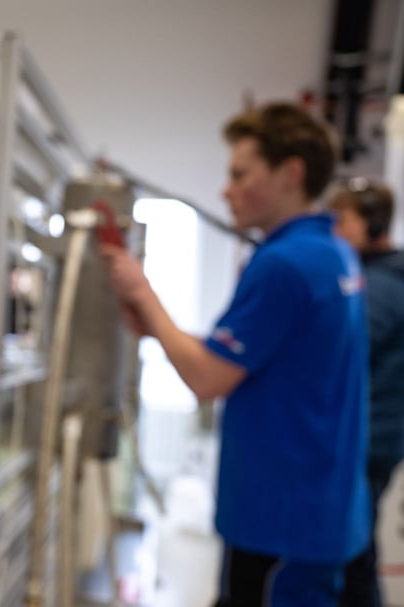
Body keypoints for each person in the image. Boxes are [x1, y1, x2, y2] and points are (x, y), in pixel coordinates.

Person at [100, 102, 369, 606]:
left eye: (240, 174)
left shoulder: (282, 264)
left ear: (291, 174)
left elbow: (207, 379)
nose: (226, 189)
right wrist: (162, 331)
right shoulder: (332, 253)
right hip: (321, 509)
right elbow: (266, 354)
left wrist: (144, 295)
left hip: (279, 523)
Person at [330, 178, 404, 607]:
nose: (334, 232)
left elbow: (344, 351)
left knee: (352, 558)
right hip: (374, 439)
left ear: (374, 225)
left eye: (342, 220)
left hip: (367, 443)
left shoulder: (381, 287)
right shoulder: (380, 278)